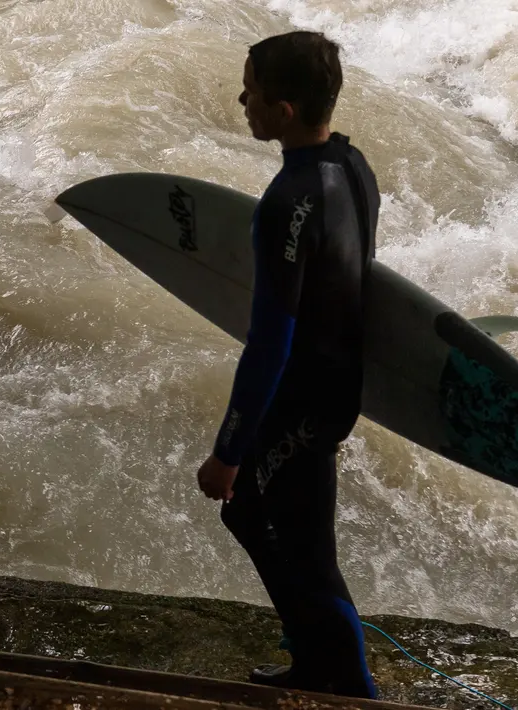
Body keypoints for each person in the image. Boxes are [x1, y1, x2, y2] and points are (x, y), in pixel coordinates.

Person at [194, 31, 380, 699]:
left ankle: (348, 685)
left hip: (303, 397)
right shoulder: (352, 168)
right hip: (336, 383)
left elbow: (269, 341)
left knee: (293, 545)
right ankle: (316, 659)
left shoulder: (285, 202)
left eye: (252, 88)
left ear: (286, 107)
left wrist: (227, 451)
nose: (242, 98)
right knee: (261, 521)